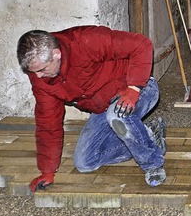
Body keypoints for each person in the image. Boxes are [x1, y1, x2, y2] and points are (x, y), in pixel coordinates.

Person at [16, 27, 167, 192]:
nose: (38, 76)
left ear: (56, 54)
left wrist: (133, 88)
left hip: (139, 89)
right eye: (33, 72)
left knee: (117, 116)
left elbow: (141, 44)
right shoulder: (41, 79)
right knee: (85, 162)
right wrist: (47, 170)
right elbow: (48, 124)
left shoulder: (84, 41)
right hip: (104, 106)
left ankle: (153, 164)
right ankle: (149, 135)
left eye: (42, 69)